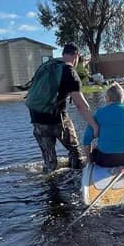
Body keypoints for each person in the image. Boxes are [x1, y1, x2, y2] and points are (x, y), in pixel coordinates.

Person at [26, 43, 98, 173]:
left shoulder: (46, 66)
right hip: (57, 118)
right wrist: (94, 126)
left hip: (37, 118)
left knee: (49, 161)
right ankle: (77, 179)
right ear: (76, 56)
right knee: (75, 152)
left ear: (64, 53)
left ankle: (50, 186)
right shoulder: (69, 71)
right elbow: (81, 105)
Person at [82, 82, 124, 167]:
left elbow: (86, 140)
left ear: (108, 98)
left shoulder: (99, 113)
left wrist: (89, 160)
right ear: (122, 98)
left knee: (96, 149)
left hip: (106, 159)